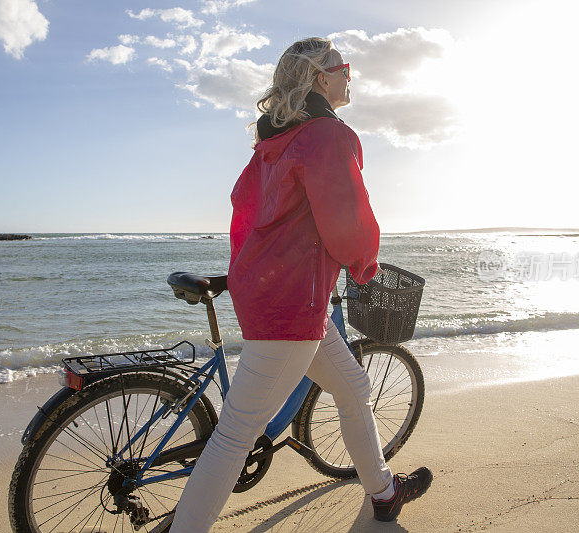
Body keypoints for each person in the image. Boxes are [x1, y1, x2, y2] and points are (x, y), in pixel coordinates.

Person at [170, 37, 432, 532]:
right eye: (343, 68)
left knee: (354, 389)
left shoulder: (273, 141)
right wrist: (363, 263)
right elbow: (347, 221)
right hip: (294, 302)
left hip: (274, 292)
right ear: (320, 78)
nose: (349, 76)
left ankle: (383, 492)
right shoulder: (328, 137)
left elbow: (244, 211)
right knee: (235, 435)